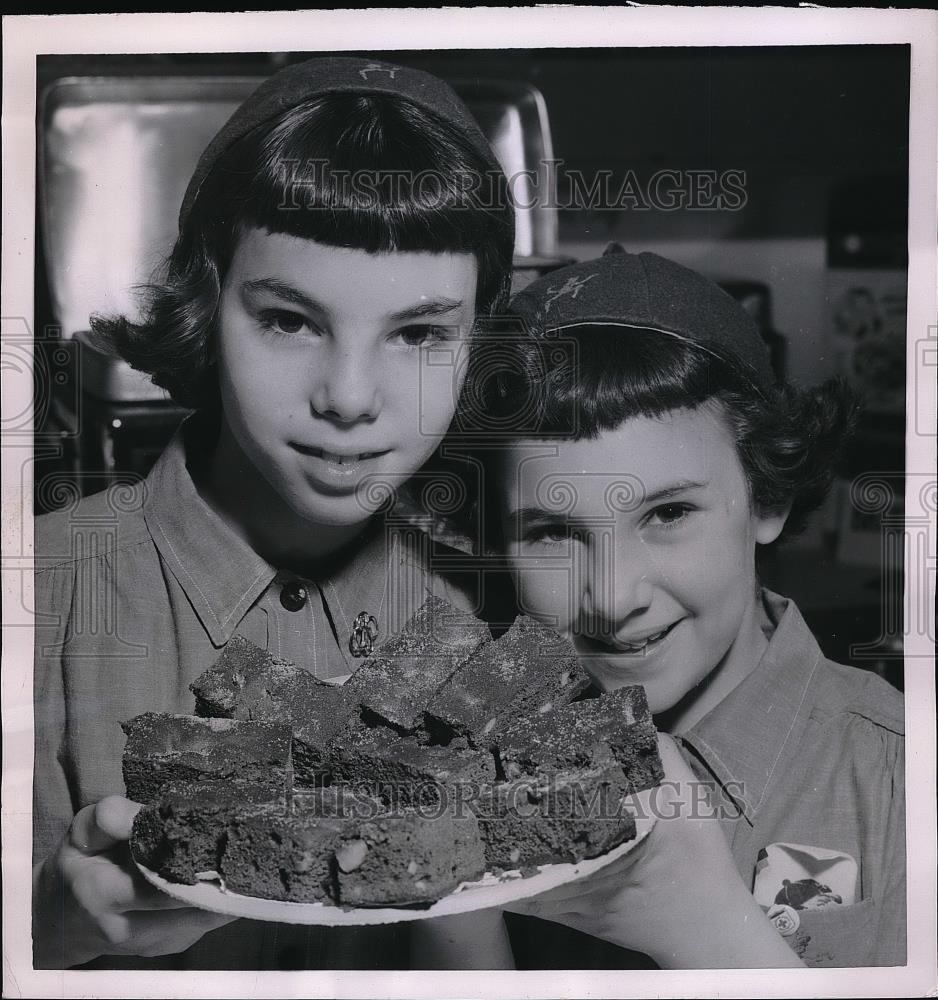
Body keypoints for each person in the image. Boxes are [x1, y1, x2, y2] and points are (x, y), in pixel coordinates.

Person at [32, 54, 515, 970]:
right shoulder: (37, 599)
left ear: (476, 339)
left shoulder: (488, 615)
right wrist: (47, 925)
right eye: (291, 320)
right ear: (207, 305)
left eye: (417, 333)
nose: (348, 396)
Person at [475, 245, 906, 969]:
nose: (612, 598)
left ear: (768, 498)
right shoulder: (474, 764)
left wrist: (711, 935)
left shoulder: (900, 780)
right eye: (552, 532)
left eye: (668, 513)